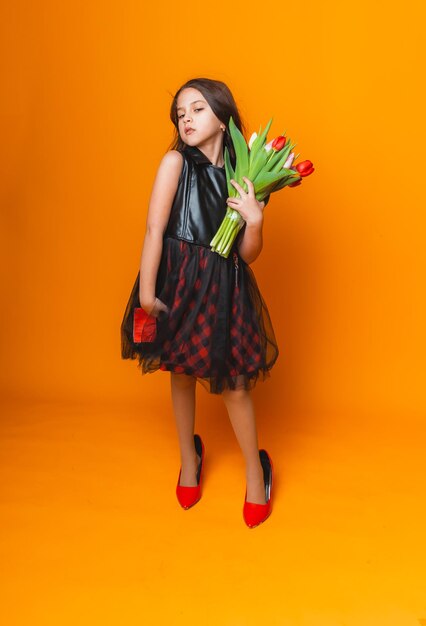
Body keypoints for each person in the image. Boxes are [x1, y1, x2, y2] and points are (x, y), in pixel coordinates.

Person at [121, 77, 279, 528]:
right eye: (180, 113)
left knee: (234, 385)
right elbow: (154, 230)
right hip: (178, 280)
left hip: (223, 284)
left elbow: (248, 255)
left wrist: (255, 221)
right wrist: (148, 292)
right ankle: (189, 460)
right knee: (182, 372)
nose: (185, 119)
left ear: (222, 114)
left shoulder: (245, 173)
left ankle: (255, 471)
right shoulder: (175, 162)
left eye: (196, 109)